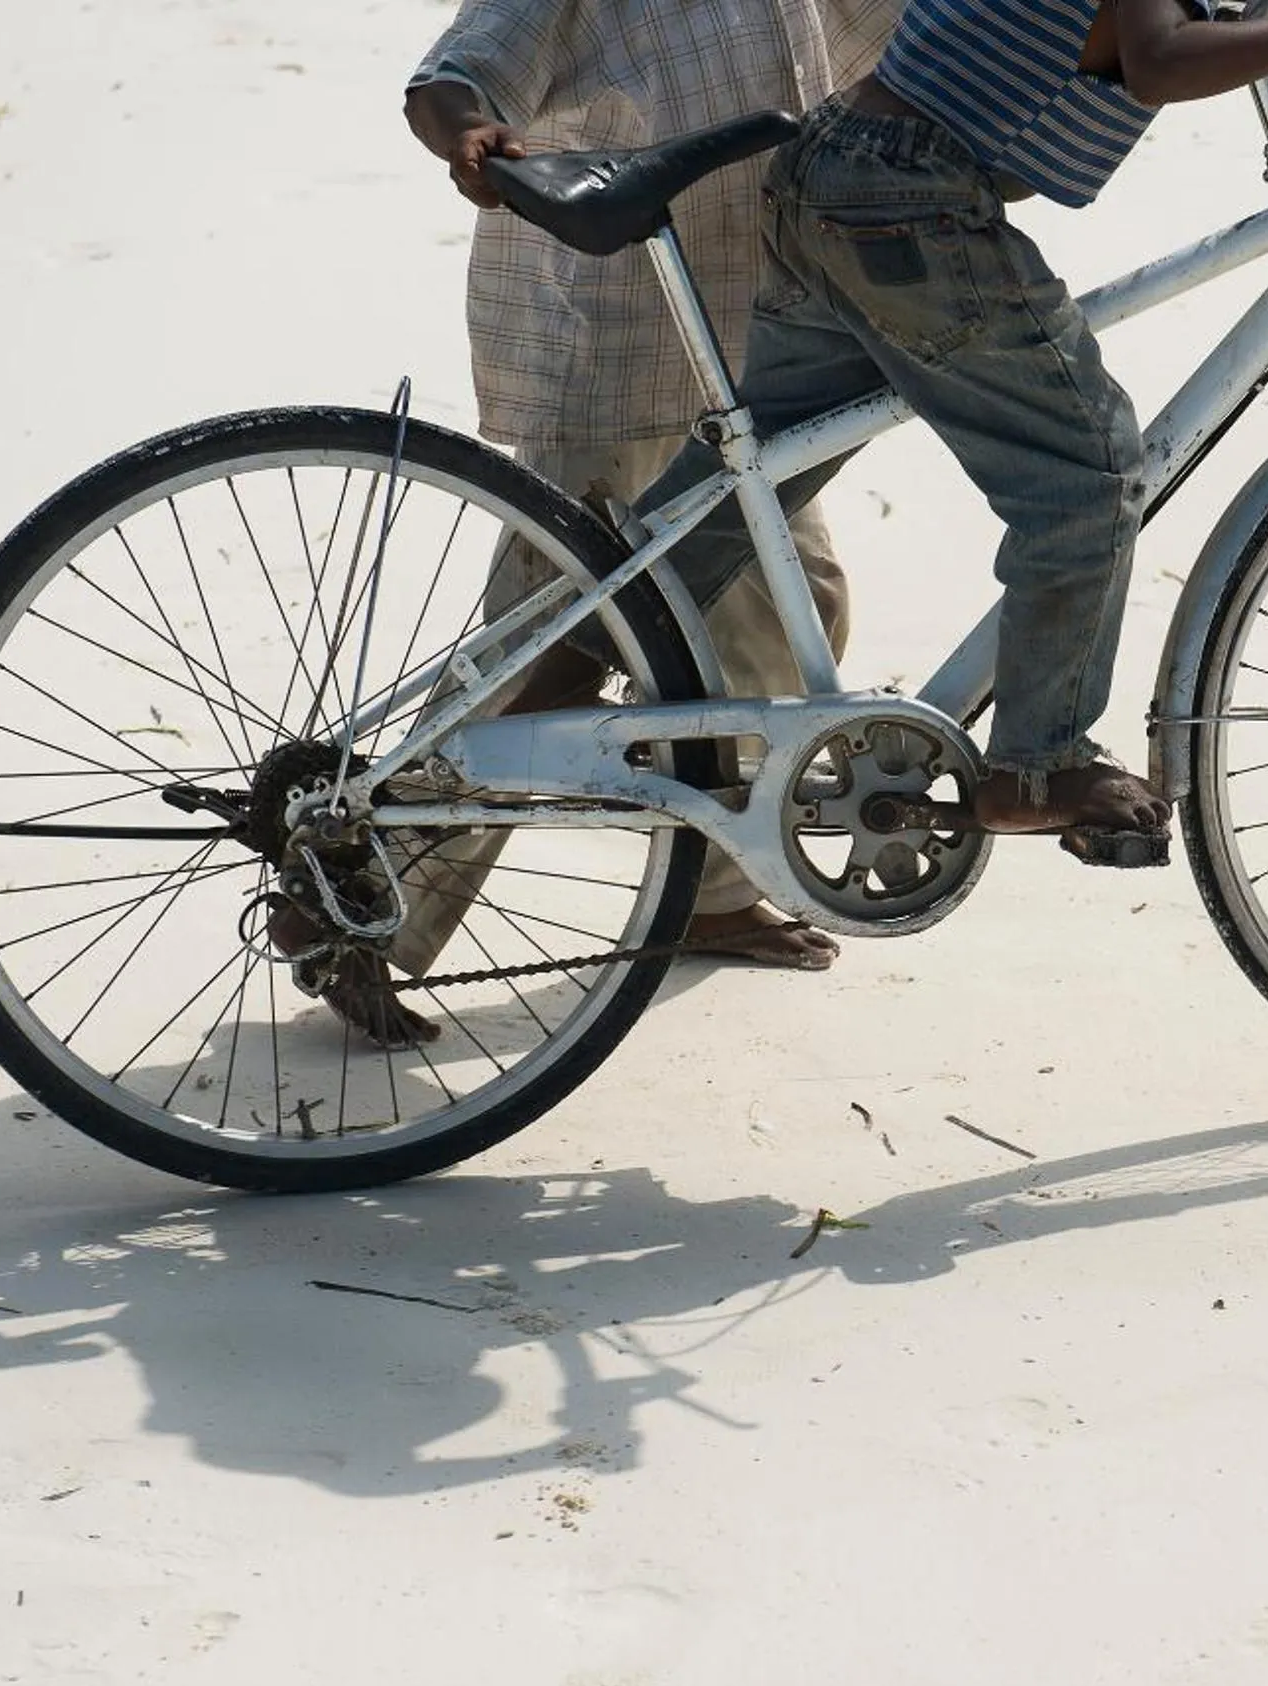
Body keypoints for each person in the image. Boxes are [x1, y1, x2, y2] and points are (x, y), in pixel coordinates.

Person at [624, 0, 1268, 847]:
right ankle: (1039, 766)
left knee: (759, 474)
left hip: (838, 161)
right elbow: (1159, 60)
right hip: (908, 198)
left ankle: (567, 648)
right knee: (1088, 475)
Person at [286, 0, 902, 1050]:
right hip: (610, 362)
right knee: (537, 664)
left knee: (788, 621)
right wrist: (467, 132)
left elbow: (900, 33)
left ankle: (706, 889)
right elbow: (454, 73)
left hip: (740, 361)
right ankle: (354, 910)